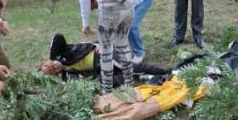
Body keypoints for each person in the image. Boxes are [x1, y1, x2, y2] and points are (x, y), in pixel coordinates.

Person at [41, 34, 170, 86]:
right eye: (54, 71)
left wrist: (52, 58)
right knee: (105, 81)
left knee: (129, 68)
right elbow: (75, 83)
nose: (55, 67)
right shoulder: (66, 75)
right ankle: (143, 78)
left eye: (53, 65)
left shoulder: (62, 52)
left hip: (100, 54)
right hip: (99, 67)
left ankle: (165, 71)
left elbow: (57, 37)